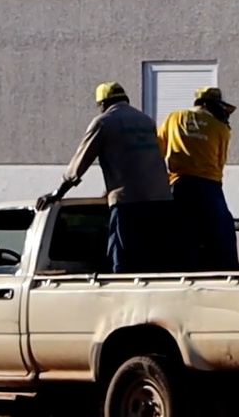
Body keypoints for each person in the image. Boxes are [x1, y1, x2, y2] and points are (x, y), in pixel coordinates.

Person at [36, 82, 178, 274]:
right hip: (162, 202)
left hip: (129, 203)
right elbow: (145, 160)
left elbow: (80, 163)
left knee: (123, 261)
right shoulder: (146, 121)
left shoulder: (104, 122)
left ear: (103, 103)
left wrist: (57, 193)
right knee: (156, 260)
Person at [158, 86, 239, 271]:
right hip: (210, 187)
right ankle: (230, 272)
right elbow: (220, 162)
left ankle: (182, 272)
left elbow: (157, 151)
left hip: (179, 185)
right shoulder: (221, 128)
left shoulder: (173, 118)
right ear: (211, 105)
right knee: (223, 232)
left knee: (183, 233)